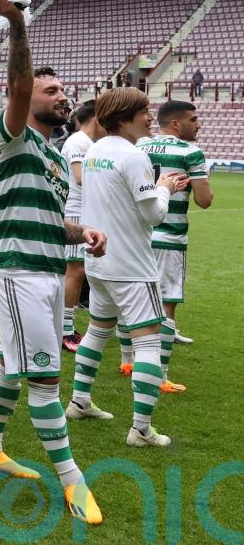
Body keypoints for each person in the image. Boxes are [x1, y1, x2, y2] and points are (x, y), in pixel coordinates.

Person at [0, 0, 103, 525]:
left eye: (64, 90)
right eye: (52, 90)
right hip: (19, 272)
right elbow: (20, 85)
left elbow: (49, 217)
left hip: (46, 269)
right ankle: (73, 480)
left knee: (10, 361)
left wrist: (81, 230)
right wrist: (18, 24)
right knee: (46, 381)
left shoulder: (52, 154)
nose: (62, 96)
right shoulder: (13, 135)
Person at [66, 87, 187, 448]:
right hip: (132, 264)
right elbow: (154, 214)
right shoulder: (134, 157)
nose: (150, 117)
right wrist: (164, 188)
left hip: (99, 260)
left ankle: (79, 401)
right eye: (143, 111)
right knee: (149, 341)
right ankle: (141, 430)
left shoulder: (95, 151)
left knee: (98, 329)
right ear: (124, 117)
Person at [136, 100, 213, 391]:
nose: (198, 124)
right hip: (170, 237)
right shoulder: (190, 152)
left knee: (137, 300)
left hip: (138, 235)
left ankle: (130, 361)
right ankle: (161, 374)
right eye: (193, 119)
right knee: (166, 303)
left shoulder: (139, 145)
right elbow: (205, 201)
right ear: (176, 123)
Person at [60, 101, 102, 353]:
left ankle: (67, 326)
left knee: (80, 272)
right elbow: (79, 177)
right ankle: (65, 330)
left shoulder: (90, 143)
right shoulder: (78, 142)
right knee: (75, 272)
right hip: (75, 213)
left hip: (86, 211)